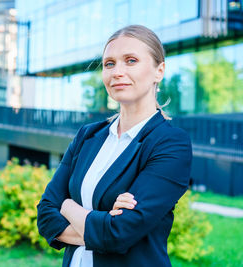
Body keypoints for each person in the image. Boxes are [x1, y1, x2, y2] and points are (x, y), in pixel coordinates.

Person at [37, 25, 192, 267]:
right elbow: (46, 215)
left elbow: (117, 234)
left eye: (131, 61)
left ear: (158, 70)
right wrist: (101, 225)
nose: (117, 71)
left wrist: (66, 205)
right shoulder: (87, 136)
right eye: (109, 63)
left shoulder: (170, 144)